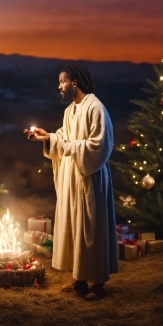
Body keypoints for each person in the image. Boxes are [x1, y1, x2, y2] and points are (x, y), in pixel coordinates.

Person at [24, 65, 118, 300]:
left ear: (75, 82)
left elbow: (99, 146)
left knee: (91, 229)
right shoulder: (70, 111)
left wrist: (66, 145)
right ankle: (79, 280)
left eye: (63, 81)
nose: (59, 86)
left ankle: (98, 284)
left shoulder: (95, 108)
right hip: (72, 178)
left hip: (89, 179)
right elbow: (65, 138)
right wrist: (48, 138)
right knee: (75, 227)